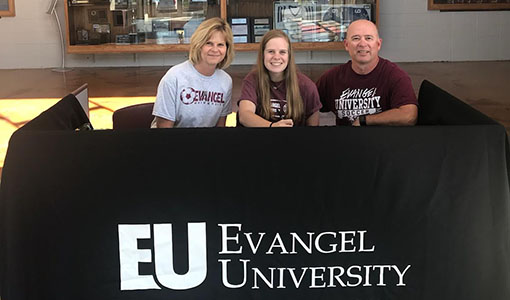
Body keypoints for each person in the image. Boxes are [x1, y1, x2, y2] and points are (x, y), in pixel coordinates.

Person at [316, 19, 418, 126]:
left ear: (378, 44)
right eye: (356, 38)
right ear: (346, 45)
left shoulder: (395, 76)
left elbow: (409, 116)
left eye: (368, 38)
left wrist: (365, 120)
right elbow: (308, 105)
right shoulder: (331, 78)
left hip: (382, 140)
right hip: (345, 140)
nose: (362, 44)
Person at [152, 17, 234, 128]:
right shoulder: (174, 77)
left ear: (227, 49)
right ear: (198, 45)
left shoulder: (226, 81)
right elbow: (164, 130)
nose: (215, 50)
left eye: (220, 45)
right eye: (209, 43)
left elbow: (220, 129)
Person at [238, 30, 322, 127]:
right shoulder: (252, 80)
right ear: (262, 55)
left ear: (289, 56)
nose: (276, 57)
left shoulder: (306, 86)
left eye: (282, 52)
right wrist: (272, 126)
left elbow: (313, 130)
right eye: (271, 52)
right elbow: (244, 115)